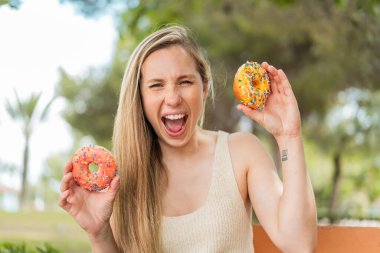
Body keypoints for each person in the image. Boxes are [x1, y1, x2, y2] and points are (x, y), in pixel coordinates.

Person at [59, 25, 317, 253]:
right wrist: (99, 233)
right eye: (156, 85)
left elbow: (299, 244)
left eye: (184, 82)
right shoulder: (122, 180)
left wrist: (288, 136)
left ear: (204, 88)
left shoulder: (241, 152)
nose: (172, 98)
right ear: (140, 98)